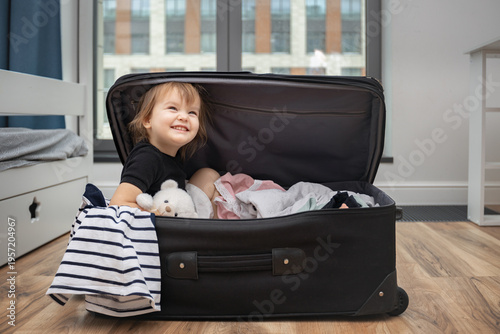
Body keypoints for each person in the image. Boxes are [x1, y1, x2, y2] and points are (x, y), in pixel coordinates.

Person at [109, 81, 220, 214]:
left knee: (208, 174)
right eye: (173, 108)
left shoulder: (174, 155)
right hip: (165, 219)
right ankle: (209, 229)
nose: (184, 117)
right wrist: (159, 215)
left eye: (192, 112)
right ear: (147, 120)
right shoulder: (146, 158)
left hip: (181, 208)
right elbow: (118, 203)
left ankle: (214, 226)